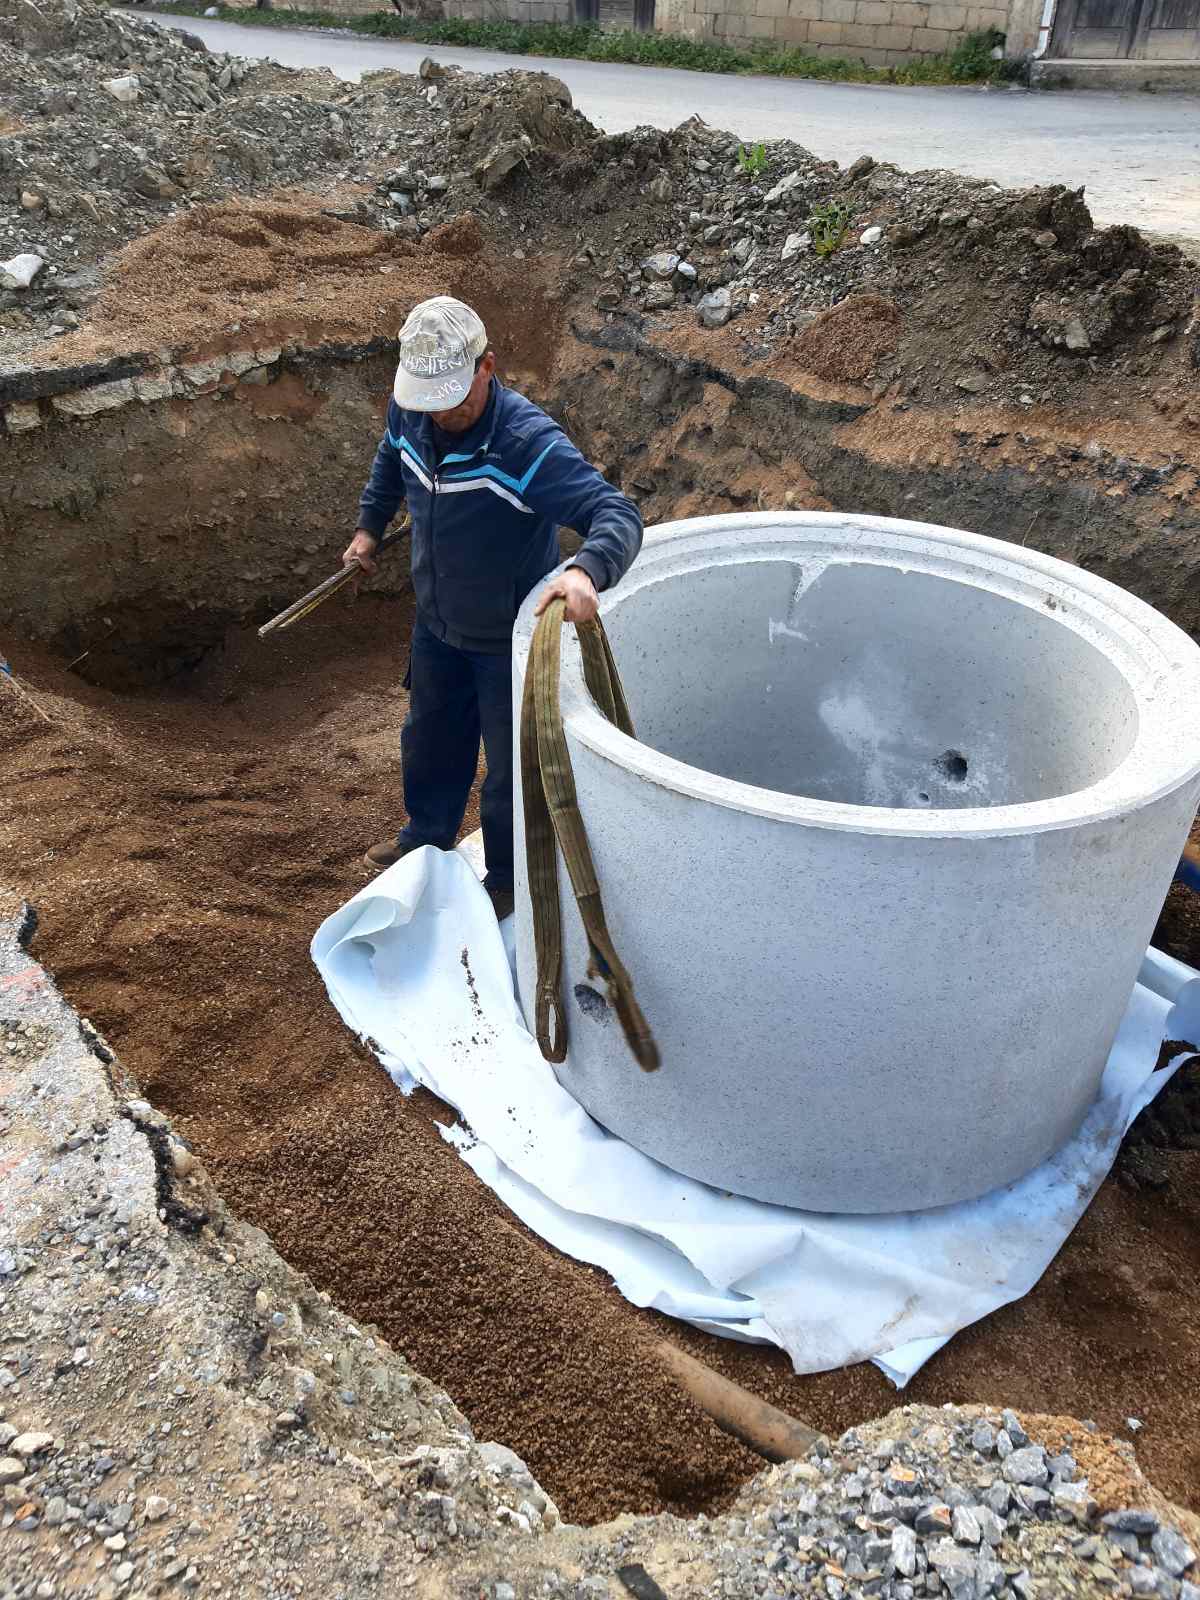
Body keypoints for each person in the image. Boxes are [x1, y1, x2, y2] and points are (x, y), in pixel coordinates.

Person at [344, 296, 643, 921]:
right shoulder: (414, 408)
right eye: (428, 400)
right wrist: (370, 529)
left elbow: (614, 513)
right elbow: (389, 461)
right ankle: (425, 836)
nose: (440, 414)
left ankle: (507, 875)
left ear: (487, 367)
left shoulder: (525, 443)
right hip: (437, 623)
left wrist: (587, 569)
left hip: (505, 638)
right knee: (429, 738)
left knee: (510, 767)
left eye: (453, 398)